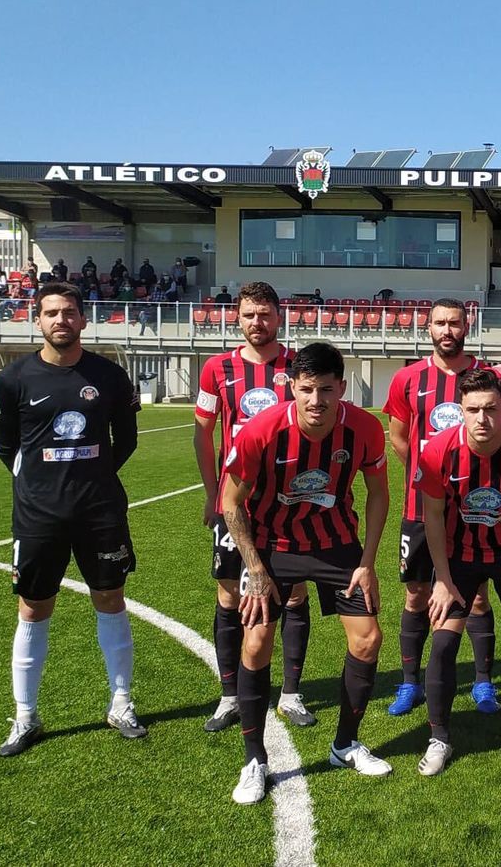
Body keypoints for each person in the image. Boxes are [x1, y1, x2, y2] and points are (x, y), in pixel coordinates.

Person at [220, 342, 393, 803]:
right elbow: (231, 502)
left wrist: (367, 562)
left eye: (327, 390)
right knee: (255, 642)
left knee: (368, 638)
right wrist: (254, 568)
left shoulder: (365, 429)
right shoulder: (262, 430)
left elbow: (378, 495)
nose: (317, 400)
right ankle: (254, 759)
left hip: (337, 547)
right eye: (308, 389)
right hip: (271, 546)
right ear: (291, 387)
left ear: (342, 388)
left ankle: (345, 744)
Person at [0, 281, 145, 758]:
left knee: (110, 598)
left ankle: (120, 703)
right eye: (51, 312)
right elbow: (7, 449)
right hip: (38, 517)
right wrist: (46, 485)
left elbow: (127, 441)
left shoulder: (111, 376)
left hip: (100, 512)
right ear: (37, 320)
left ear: (82, 319)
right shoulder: (13, 380)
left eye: (69, 312)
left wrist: (92, 478)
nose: (61, 320)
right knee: (33, 608)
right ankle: (26, 715)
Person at [416, 369, 501, 776]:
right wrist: (441, 578)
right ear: (460, 410)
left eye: (491, 409)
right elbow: (433, 518)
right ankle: (439, 738)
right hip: (458, 556)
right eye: (472, 410)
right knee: (442, 645)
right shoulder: (439, 450)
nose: (482, 419)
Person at [193, 282, 315, 733]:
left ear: (279, 317)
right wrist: (212, 494)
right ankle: (229, 695)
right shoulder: (217, 369)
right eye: (248, 315)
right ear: (237, 318)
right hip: (235, 500)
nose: (256, 322)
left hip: (288, 502)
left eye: (264, 314)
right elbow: (203, 434)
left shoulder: (296, 366)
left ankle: (291, 693)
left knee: (295, 592)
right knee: (229, 593)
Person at [382, 299, 501, 717]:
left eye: (454, 322)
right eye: (439, 323)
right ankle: (409, 682)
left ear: (466, 325)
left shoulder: (489, 376)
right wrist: (427, 474)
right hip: (420, 507)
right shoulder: (408, 378)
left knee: (478, 596)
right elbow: (398, 437)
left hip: (474, 509)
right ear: (427, 327)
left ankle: (483, 682)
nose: (447, 330)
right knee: (416, 595)